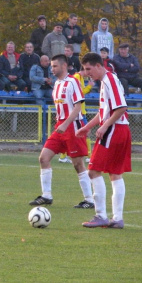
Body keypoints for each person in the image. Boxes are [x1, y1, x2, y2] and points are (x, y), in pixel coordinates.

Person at [29, 54, 93, 209]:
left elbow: (78, 107)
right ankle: (47, 195)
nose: (52, 69)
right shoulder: (57, 84)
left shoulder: (73, 82)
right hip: (61, 126)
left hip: (73, 127)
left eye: (55, 66)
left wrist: (67, 124)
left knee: (78, 164)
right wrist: (61, 123)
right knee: (44, 158)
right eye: (51, 66)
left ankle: (89, 199)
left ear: (64, 66)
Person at [77, 53, 131, 229]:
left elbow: (121, 107)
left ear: (99, 66)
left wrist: (104, 126)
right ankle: (117, 219)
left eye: (88, 69)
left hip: (114, 130)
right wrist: (89, 126)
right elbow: (104, 112)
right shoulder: (106, 81)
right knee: (115, 174)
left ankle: (100, 215)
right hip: (120, 129)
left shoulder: (109, 80)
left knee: (93, 171)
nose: (86, 73)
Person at [59, 66, 94, 163]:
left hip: (80, 111)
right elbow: (80, 93)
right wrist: (90, 86)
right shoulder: (77, 77)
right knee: (86, 132)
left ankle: (63, 156)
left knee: (78, 134)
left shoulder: (79, 77)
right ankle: (89, 156)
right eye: (88, 70)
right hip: (79, 112)